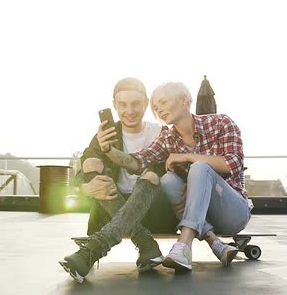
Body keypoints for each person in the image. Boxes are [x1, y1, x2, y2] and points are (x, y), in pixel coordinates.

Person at [101, 82, 251, 271]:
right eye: (155, 107)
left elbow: (233, 163)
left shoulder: (221, 123)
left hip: (232, 212)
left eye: (163, 102)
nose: (159, 110)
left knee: (199, 168)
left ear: (185, 100)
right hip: (203, 217)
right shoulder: (167, 138)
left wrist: (188, 157)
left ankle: (184, 245)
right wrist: (108, 151)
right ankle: (215, 243)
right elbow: (137, 162)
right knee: (168, 181)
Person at [59, 77, 177, 283]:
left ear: (146, 104)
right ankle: (146, 243)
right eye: (122, 104)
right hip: (113, 211)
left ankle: (93, 251)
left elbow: (167, 173)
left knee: (150, 175)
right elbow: (80, 176)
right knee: (90, 164)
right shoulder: (105, 134)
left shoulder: (161, 133)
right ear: (114, 105)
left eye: (135, 104)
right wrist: (88, 188)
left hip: (155, 212)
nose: (129, 111)